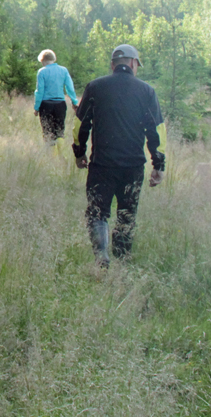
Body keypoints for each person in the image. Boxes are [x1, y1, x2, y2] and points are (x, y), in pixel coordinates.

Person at [72, 44, 166, 268]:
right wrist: (158, 164)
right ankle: (122, 262)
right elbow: (156, 131)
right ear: (134, 63)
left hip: (101, 164)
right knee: (127, 213)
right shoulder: (147, 91)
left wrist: (79, 152)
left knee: (97, 211)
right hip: (133, 167)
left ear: (113, 64)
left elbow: (80, 124)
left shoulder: (95, 87)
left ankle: (101, 257)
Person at [33, 49, 78, 143]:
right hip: (60, 104)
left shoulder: (41, 72)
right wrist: (74, 102)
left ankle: (50, 153)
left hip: (46, 105)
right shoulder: (63, 70)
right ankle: (60, 153)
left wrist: (36, 108)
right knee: (60, 130)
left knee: (47, 131)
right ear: (53, 59)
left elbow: (39, 91)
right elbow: (70, 87)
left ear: (43, 60)